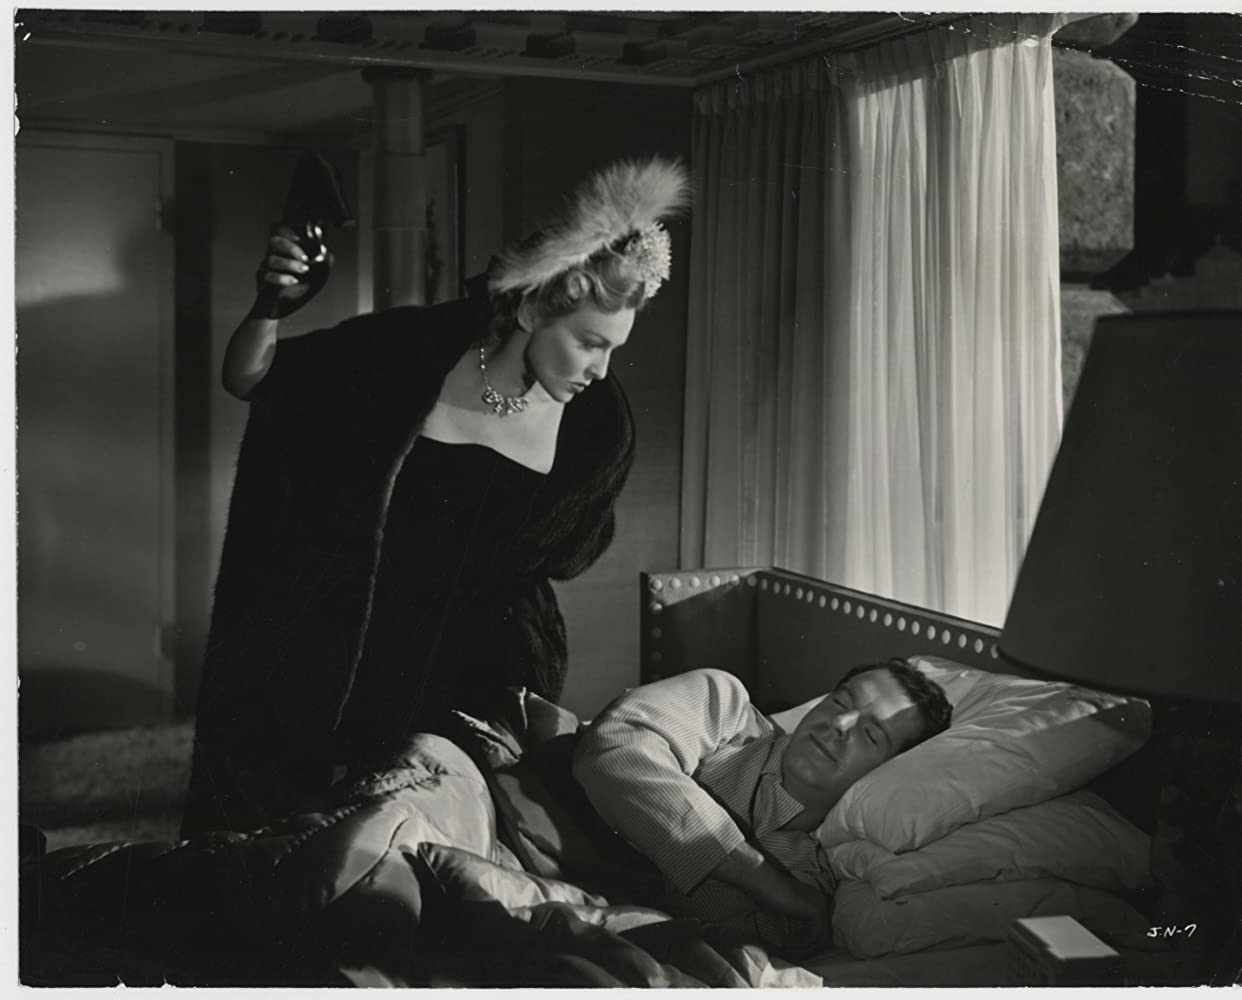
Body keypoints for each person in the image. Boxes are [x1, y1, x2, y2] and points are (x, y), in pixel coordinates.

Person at [181, 157, 690, 838]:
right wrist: (272, 305)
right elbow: (252, 378)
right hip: (358, 649)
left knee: (450, 854)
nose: (600, 370)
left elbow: (567, 557)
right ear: (533, 308)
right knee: (313, 846)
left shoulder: (600, 429)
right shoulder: (412, 350)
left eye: (613, 349)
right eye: (589, 343)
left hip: (484, 675)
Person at [571, 660, 952, 956]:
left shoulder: (807, 883)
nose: (839, 722)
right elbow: (615, 744)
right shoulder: (724, 708)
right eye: (840, 701)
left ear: (887, 772)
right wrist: (756, 876)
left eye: (871, 734)